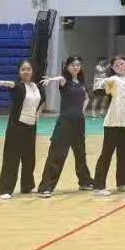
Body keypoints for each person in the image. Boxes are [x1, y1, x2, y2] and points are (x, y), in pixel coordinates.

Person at [36, 55, 94, 197]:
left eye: (78, 65)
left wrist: (81, 110)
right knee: (57, 155)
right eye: (73, 65)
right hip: (65, 123)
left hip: (79, 123)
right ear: (67, 67)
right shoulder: (65, 81)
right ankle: (45, 187)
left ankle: (85, 182)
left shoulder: (81, 83)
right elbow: (60, 79)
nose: (75, 67)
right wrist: (51, 79)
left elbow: (86, 98)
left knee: (80, 154)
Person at [0, 59, 43, 200]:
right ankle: (5, 189)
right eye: (23, 69)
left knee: (29, 158)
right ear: (19, 72)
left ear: (32, 71)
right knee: (11, 158)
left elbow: (42, 100)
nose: (26, 72)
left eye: (28, 69)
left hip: (31, 127)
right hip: (16, 127)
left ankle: (27, 186)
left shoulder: (37, 87)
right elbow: (11, 84)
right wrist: (1, 82)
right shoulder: (18, 86)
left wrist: (38, 113)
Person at [92, 55, 125, 196]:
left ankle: (122, 183)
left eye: (122, 63)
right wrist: (103, 82)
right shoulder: (113, 79)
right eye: (117, 65)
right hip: (113, 123)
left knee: (123, 155)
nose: (120, 66)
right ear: (112, 67)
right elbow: (99, 86)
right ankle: (99, 186)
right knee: (106, 154)